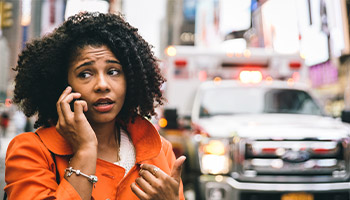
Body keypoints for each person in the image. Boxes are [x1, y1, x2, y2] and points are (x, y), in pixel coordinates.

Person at [4, 12, 186, 200]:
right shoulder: (31, 150)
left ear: (130, 79)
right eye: (85, 74)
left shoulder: (159, 150)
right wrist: (85, 151)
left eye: (113, 71)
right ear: (62, 84)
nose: (102, 84)